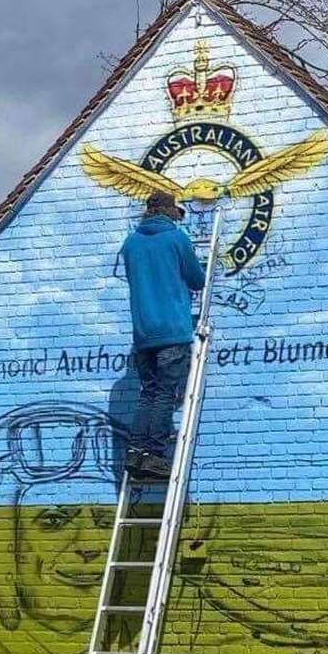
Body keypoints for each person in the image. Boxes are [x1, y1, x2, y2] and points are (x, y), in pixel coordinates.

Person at [119, 191, 207, 479]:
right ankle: (154, 455)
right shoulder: (176, 238)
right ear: (170, 211)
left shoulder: (130, 243)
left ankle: (135, 452)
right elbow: (197, 280)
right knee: (164, 395)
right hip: (172, 330)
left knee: (149, 394)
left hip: (143, 335)